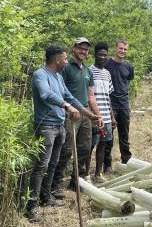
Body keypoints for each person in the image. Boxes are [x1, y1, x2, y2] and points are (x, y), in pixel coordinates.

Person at [27, 44, 100, 222]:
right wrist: (66, 106)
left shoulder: (58, 77)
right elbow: (46, 94)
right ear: (57, 60)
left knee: (53, 163)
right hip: (46, 127)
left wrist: (89, 115)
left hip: (59, 125)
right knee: (41, 165)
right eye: (65, 58)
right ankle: (31, 205)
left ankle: (46, 198)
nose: (67, 61)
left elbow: (70, 97)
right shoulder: (40, 75)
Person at [52, 37, 103, 197]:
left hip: (85, 113)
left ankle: (76, 181)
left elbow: (91, 95)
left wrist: (97, 115)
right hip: (69, 114)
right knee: (66, 149)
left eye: (86, 49)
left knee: (84, 148)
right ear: (74, 48)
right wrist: (69, 108)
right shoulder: (66, 68)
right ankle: (56, 184)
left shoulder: (87, 71)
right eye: (80, 48)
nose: (83, 51)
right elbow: (60, 92)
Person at [86, 42, 116, 177]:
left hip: (106, 118)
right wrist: (92, 115)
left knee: (103, 145)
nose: (103, 57)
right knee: (89, 146)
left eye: (105, 55)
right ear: (95, 55)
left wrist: (112, 116)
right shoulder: (88, 71)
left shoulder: (107, 74)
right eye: (100, 54)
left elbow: (108, 96)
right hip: (93, 117)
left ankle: (98, 174)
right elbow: (87, 96)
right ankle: (85, 174)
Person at [104, 39, 134, 165]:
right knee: (108, 136)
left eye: (125, 49)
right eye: (120, 48)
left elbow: (129, 79)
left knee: (124, 135)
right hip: (109, 105)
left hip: (124, 105)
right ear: (115, 48)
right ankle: (107, 163)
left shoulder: (128, 66)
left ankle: (126, 161)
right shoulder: (106, 64)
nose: (122, 51)